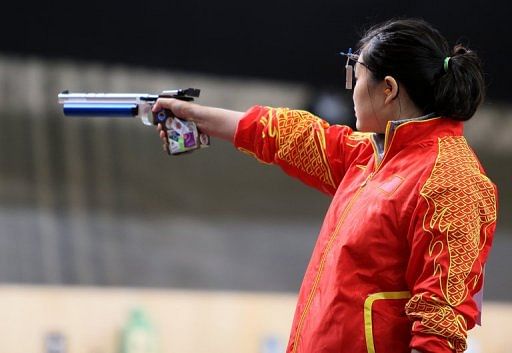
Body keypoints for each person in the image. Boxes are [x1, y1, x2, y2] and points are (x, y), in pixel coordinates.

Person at [152, 18, 498, 353]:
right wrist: (197, 117)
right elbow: (291, 136)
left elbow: (440, 323)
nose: (352, 90)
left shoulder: (453, 179)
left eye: (357, 77)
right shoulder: (372, 155)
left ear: (388, 89)